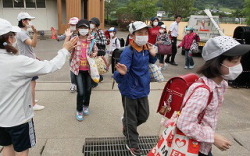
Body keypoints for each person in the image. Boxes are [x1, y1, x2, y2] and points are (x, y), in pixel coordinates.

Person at [0, 18, 78, 156]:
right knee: (22, 151)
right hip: (19, 119)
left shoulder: (18, 61)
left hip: (1, 119)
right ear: (9, 38)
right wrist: (65, 50)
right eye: (13, 35)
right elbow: (50, 66)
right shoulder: (18, 62)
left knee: (7, 147)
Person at [176, 36, 250, 156]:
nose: (239, 66)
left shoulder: (222, 84)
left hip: (203, 145)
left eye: (239, 61)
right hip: (193, 148)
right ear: (216, 62)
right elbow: (184, 123)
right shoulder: (203, 91)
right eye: (234, 62)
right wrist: (213, 137)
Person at [114, 21, 157, 156]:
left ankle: (126, 125)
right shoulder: (128, 51)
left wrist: (153, 55)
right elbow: (119, 73)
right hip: (129, 89)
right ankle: (132, 144)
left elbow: (149, 62)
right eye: (140, 33)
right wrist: (120, 73)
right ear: (132, 35)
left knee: (144, 116)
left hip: (143, 88)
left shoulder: (146, 48)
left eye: (145, 33)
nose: (143, 36)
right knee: (132, 119)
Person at [70, 19, 98, 121]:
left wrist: (94, 54)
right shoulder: (74, 39)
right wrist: (68, 39)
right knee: (81, 92)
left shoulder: (92, 40)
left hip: (89, 70)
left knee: (88, 90)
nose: (83, 30)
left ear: (88, 29)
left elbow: (96, 50)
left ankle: (86, 105)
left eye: (85, 28)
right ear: (77, 29)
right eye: (81, 28)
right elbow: (68, 50)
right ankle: (79, 110)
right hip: (78, 70)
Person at [16, 12, 45, 111]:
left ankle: (31, 100)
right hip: (27, 62)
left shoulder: (24, 32)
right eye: (28, 20)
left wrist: (35, 57)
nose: (29, 22)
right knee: (32, 83)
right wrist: (35, 33)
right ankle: (32, 104)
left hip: (29, 59)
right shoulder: (21, 33)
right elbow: (33, 44)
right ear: (23, 21)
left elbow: (29, 48)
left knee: (30, 83)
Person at [57, 17, 79, 93]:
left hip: (80, 55)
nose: (72, 26)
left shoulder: (81, 32)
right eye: (71, 25)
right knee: (72, 70)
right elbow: (60, 38)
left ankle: (80, 84)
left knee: (80, 70)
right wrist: (55, 35)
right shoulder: (69, 32)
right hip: (71, 55)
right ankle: (73, 84)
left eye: (74, 25)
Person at [89, 17, 107, 86]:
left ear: (96, 24)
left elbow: (104, 41)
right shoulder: (90, 32)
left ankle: (94, 82)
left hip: (99, 51)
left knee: (94, 66)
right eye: (90, 23)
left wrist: (94, 41)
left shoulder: (100, 32)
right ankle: (99, 78)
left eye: (92, 23)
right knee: (94, 66)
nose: (91, 24)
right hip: (92, 51)